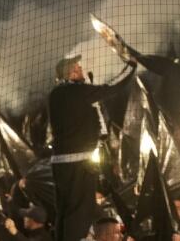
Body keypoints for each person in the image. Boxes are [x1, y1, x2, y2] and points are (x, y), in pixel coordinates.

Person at [49, 54, 136, 241]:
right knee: (79, 212)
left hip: (62, 164)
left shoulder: (57, 94)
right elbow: (112, 87)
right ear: (69, 74)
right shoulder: (75, 92)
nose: (80, 70)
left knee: (65, 212)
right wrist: (131, 65)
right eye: (76, 69)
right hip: (77, 163)